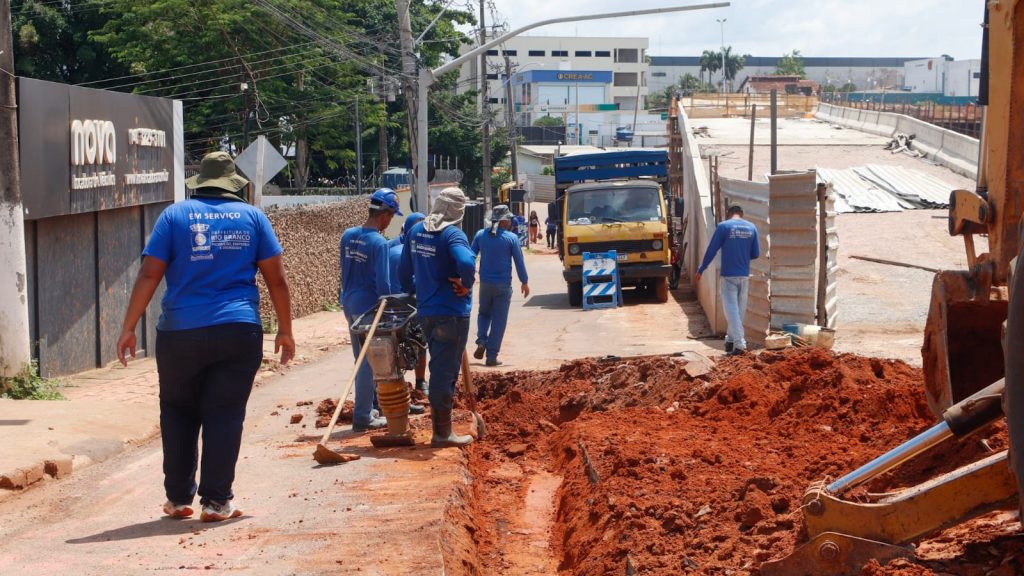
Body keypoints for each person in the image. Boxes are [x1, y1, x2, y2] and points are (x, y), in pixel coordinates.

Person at [116, 151, 294, 522]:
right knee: (225, 413)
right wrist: (286, 331)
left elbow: (149, 274)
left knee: (178, 412)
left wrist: (129, 327)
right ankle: (216, 502)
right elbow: (276, 279)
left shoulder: (175, 216)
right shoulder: (253, 218)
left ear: (200, 183)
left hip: (180, 333)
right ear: (234, 184)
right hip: (238, 329)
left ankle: (179, 499)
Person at [399, 188, 477, 447]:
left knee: (438, 367)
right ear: (458, 211)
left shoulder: (416, 231)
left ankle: (442, 428)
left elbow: (403, 273)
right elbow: (466, 262)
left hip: (426, 313)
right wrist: (466, 284)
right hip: (451, 314)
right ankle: (443, 434)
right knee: (444, 373)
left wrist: (421, 287)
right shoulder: (452, 234)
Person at [340, 188, 402, 431]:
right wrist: (387, 311)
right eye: (390, 216)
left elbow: (344, 272)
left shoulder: (348, 235)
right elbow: (384, 285)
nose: (389, 222)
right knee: (369, 363)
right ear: (385, 214)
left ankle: (367, 408)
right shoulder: (379, 243)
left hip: (350, 304)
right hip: (368, 309)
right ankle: (363, 417)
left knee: (360, 360)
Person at [695, 204, 760, 355]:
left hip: (729, 275)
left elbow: (712, 249)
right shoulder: (752, 227)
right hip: (744, 275)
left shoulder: (724, 227)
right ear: (741, 213)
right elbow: (756, 253)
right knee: (739, 310)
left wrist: (701, 269)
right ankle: (730, 341)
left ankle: (740, 344)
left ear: (728, 214)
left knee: (731, 310)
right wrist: (742, 254)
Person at [470, 205, 530, 367]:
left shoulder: (480, 235)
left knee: (483, 314)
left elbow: (470, 256)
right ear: (503, 220)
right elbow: (519, 262)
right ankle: (491, 356)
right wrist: (524, 282)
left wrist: (468, 277)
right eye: (509, 219)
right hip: (503, 286)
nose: (511, 221)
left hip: (485, 285)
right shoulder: (511, 238)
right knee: (499, 321)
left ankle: (482, 340)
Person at [388, 211, 429, 397]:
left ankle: (418, 382)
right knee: (411, 344)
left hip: (401, 303)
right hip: (401, 304)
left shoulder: (419, 247)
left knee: (416, 343)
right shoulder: (395, 248)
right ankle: (411, 385)